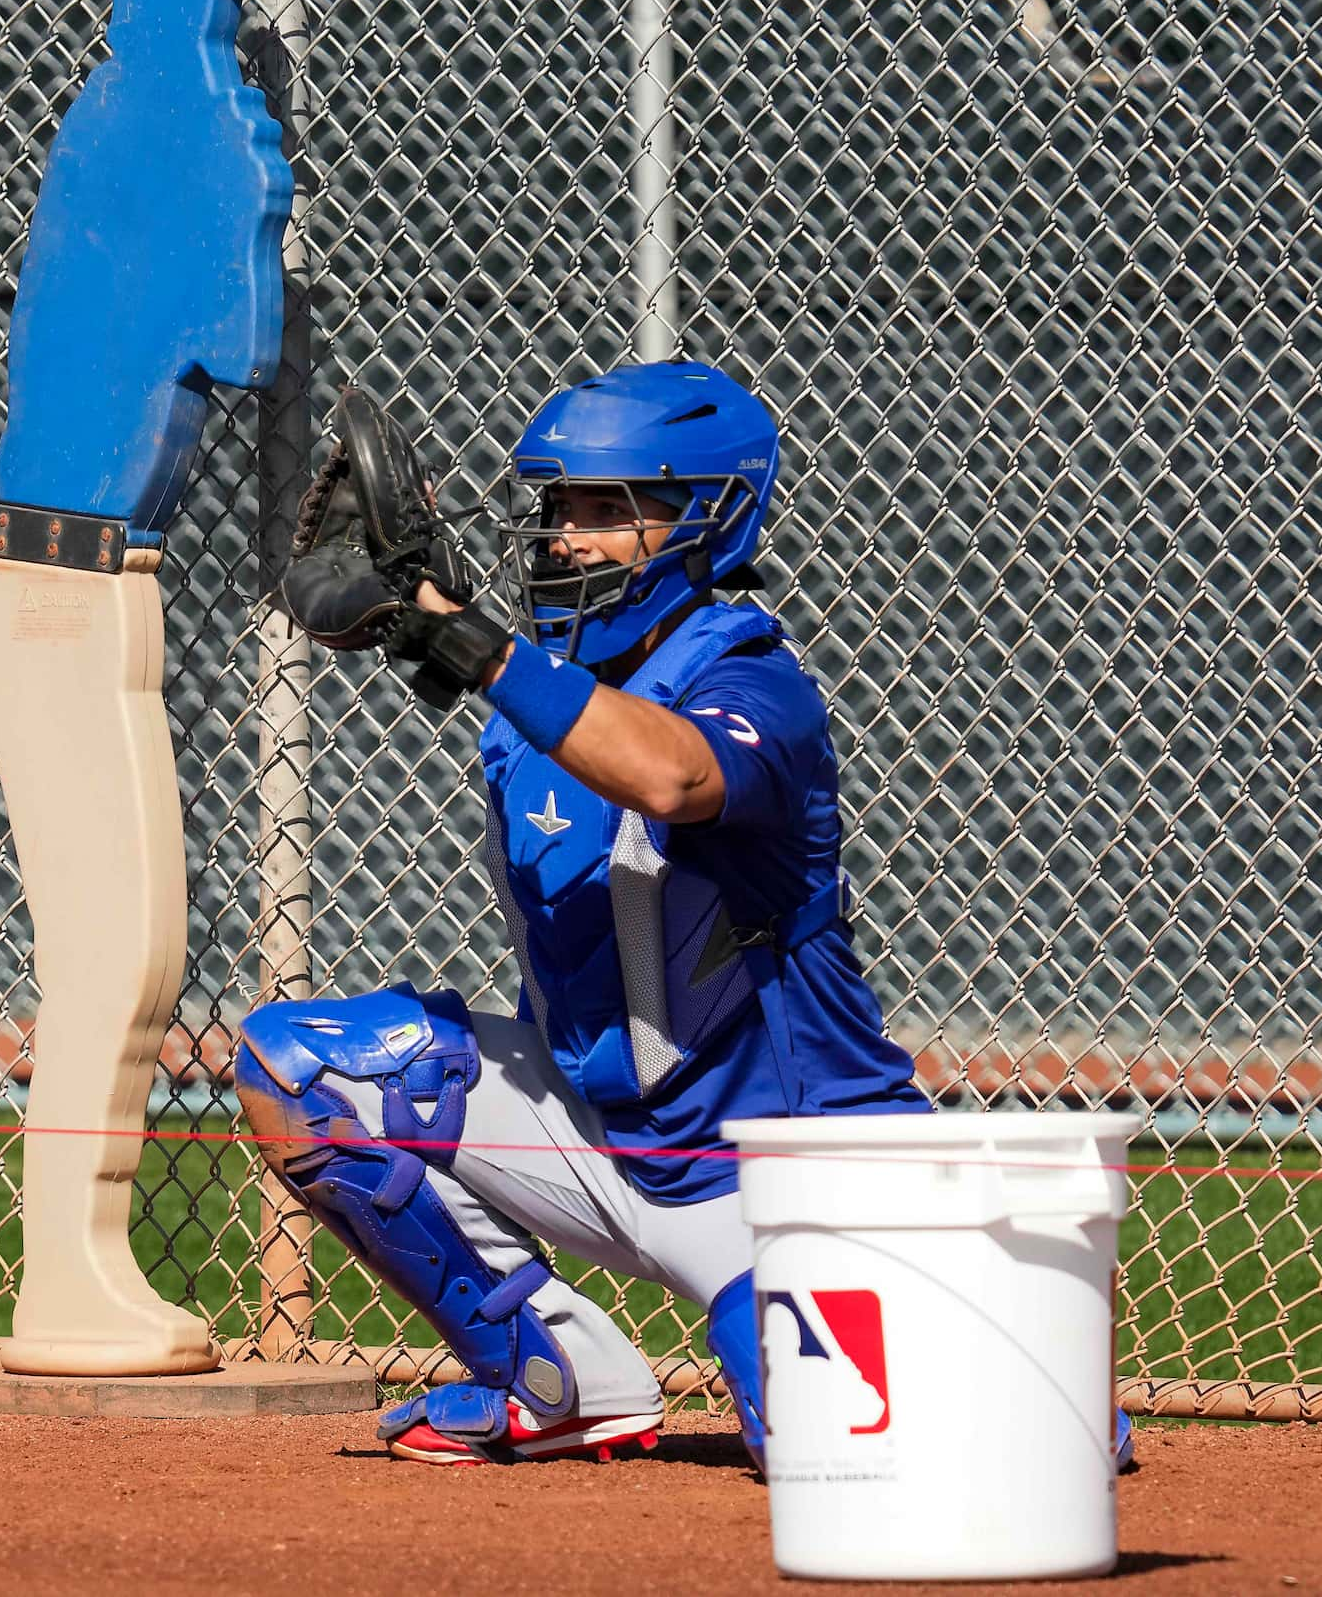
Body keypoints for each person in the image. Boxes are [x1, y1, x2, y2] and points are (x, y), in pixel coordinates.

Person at [249, 361, 957, 1466]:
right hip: (609, 1140)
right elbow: (539, 702)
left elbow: (670, 776)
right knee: (305, 1069)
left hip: (786, 1170)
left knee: (860, 1452)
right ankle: (558, 1379)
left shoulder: (755, 682)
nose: (565, 539)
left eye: (609, 513)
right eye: (558, 509)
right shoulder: (544, 685)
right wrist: (426, 628)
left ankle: (970, 1353)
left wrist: (468, 640)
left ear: (706, 525)